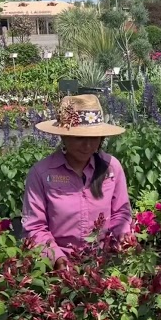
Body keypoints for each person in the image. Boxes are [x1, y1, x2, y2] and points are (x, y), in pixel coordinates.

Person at [21, 94, 132, 260]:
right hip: (57, 263)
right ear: (63, 136)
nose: (87, 145)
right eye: (79, 138)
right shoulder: (42, 173)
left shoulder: (111, 168)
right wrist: (57, 258)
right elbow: (34, 226)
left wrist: (122, 237)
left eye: (93, 138)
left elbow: (121, 212)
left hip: (104, 260)